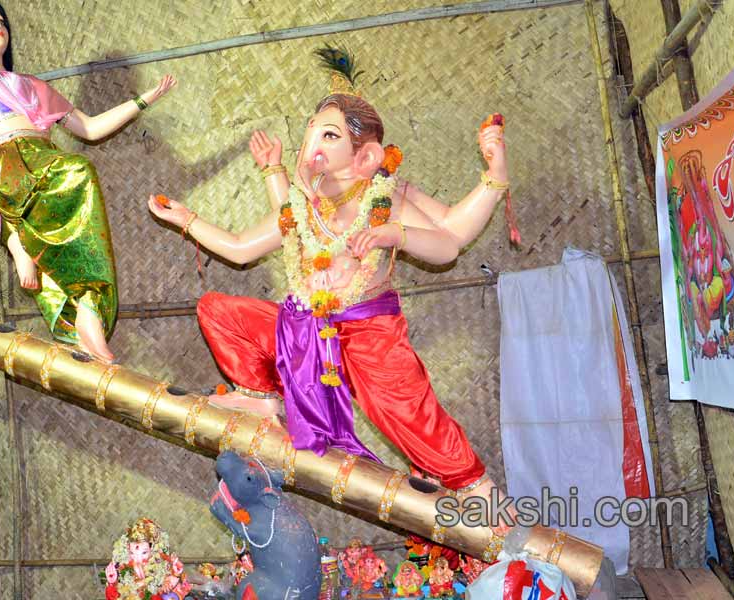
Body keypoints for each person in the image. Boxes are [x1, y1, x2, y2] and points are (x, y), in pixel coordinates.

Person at [148, 50, 505, 497]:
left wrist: (397, 232)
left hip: (368, 332)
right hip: (303, 331)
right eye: (312, 131)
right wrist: (187, 219)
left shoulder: (383, 198)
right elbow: (240, 249)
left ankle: (476, 490)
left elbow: (448, 243)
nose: (312, 144)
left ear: (366, 156)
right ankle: (262, 398)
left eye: (329, 134)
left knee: (403, 409)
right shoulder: (302, 206)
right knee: (219, 311)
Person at [0, 1, 177, 362]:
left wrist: (143, 101)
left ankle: (85, 311)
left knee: (79, 192)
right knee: (77, 171)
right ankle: (16, 236)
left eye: (1, 19)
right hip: (13, 162)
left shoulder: (34, 86)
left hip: (45, 160)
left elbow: (89, 128)